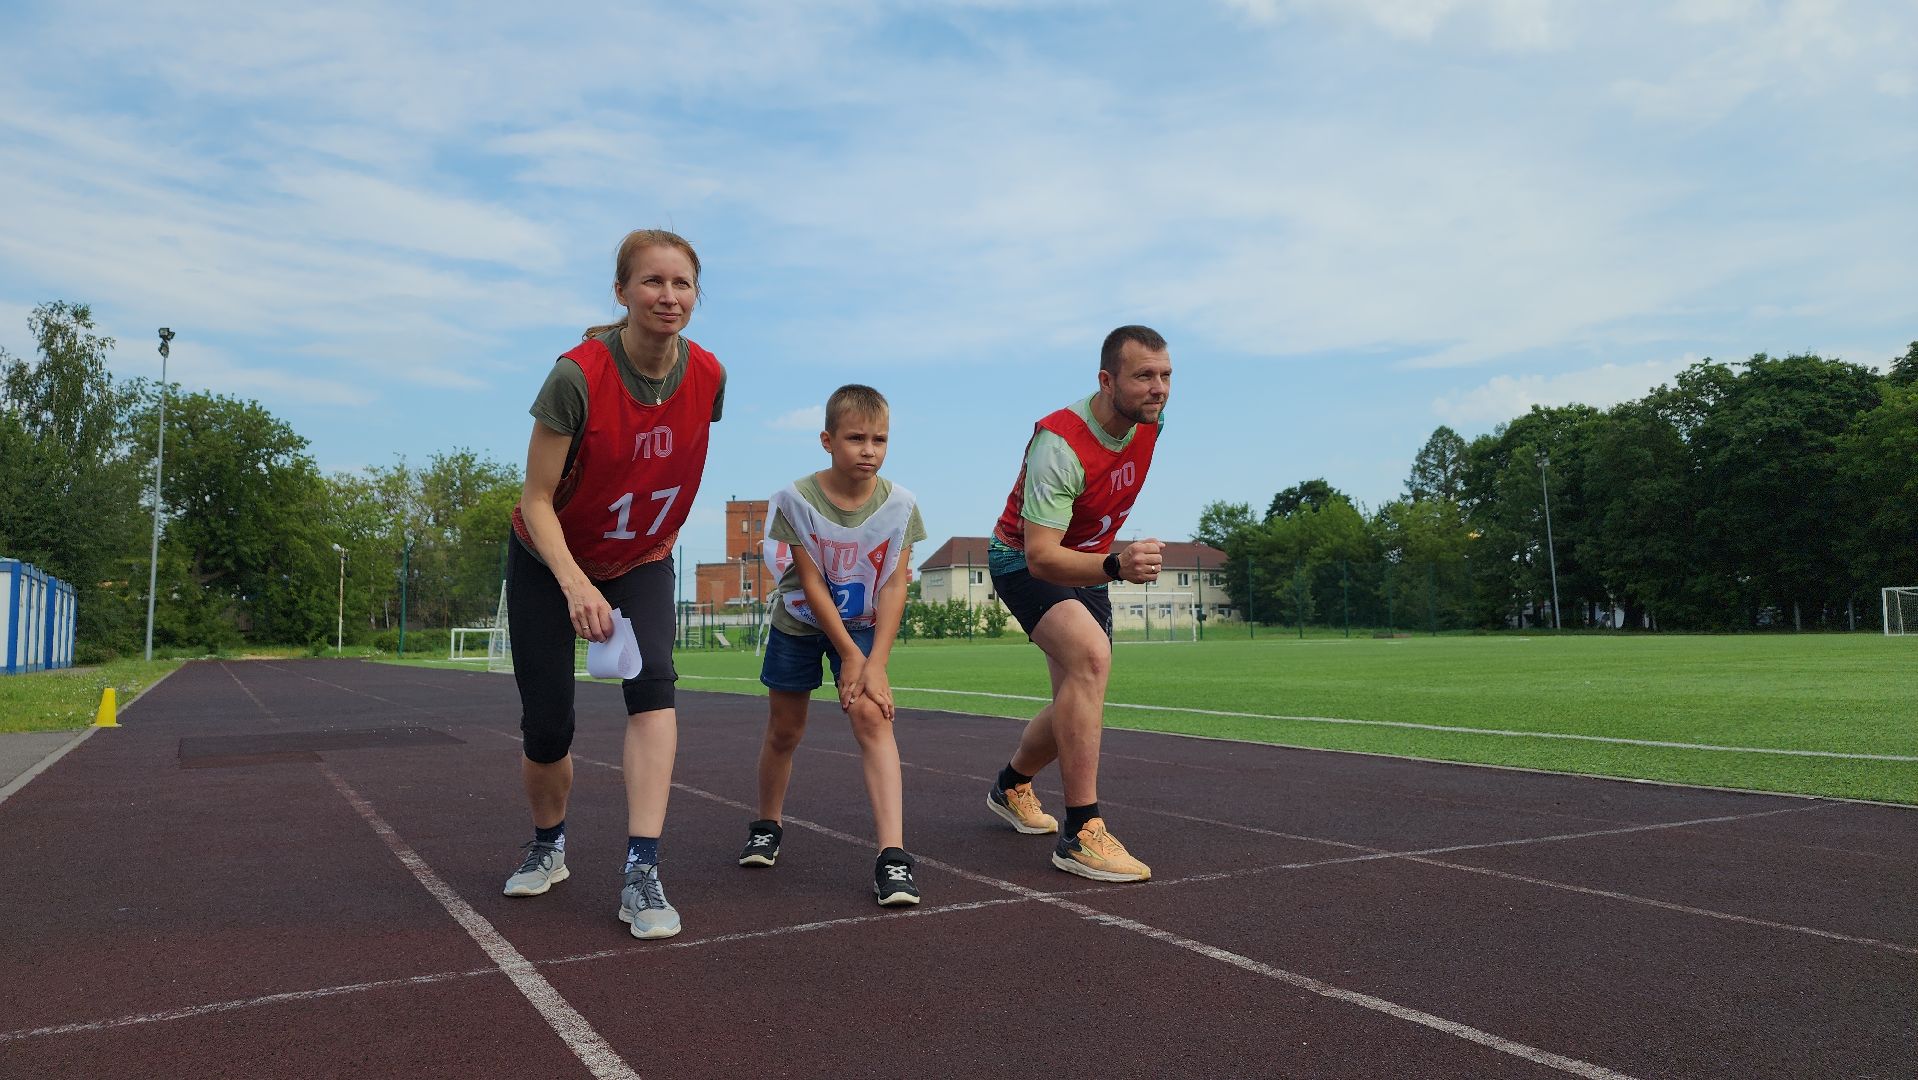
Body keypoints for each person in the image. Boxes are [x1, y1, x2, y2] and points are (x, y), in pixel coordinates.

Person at [500, 228, 726, 940]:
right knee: (548, 726)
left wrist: (649, 540)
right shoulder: (576, 376)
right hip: (550, 559)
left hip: (642, 558)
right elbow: (537, 498)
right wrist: (574, 584)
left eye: (681, 283)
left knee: (654, 685)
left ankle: (641, 870)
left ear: (696, 295)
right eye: (652, 282)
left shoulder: (711, 376)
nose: (668, 295)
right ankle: (548, 844)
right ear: (622, 291)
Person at [983, 325, 1170, 882]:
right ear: (1106, 381)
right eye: (1143, 376)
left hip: (1086, 561)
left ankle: (1012, 786)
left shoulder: (1150, 420)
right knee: (1092, 660)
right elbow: (1041, 556)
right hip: (1024, 559)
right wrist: (1116, 564)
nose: (1157, 389)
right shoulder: (1058, 445)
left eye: (1165, 376)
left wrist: (1103, 560)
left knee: (1077, 695)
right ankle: (1081, 833)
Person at [738, 384, 927, 906]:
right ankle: (767, 824)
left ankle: (893, 857)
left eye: (880, 439)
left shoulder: (902, 506)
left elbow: (894, 582)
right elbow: (813, 581)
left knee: (873, 717)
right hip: (801, 620)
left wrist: (876, 663)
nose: (869, 449)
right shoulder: (796, 500)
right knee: (785, 729)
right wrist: (847, 654)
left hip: (866, 621)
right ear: (827, 440)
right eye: (856, 438)